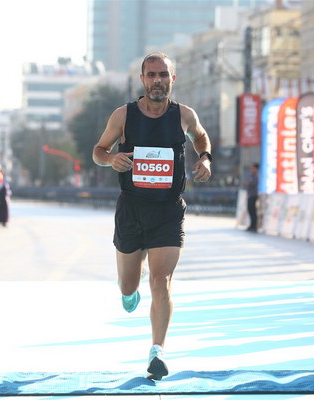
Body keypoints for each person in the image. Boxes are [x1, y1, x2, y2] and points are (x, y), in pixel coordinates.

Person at [92, 52, 212, 380]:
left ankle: (157, 350)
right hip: (132, 209)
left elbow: (201, 136)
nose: (157, 80)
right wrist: (111, 159)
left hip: (168, 210)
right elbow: (98, 151)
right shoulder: (123, 115)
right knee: (128, 286)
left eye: (163, 75)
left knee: (162, 280)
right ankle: (130, 287)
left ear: (173, 79)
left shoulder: (184, 115)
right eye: (151, 75)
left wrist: (205, 157)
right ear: (143, 79)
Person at [244, 162, 259, 232]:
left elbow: (252, 183)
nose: (251, 169)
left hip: (254, 195)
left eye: (253, 168)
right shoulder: (251, 175)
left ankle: (254, 226)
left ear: (256, 169)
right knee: (250, 210)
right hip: (250, 195)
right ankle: (251, 225)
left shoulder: (256, 176)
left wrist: (248, 182)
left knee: (253, 211)